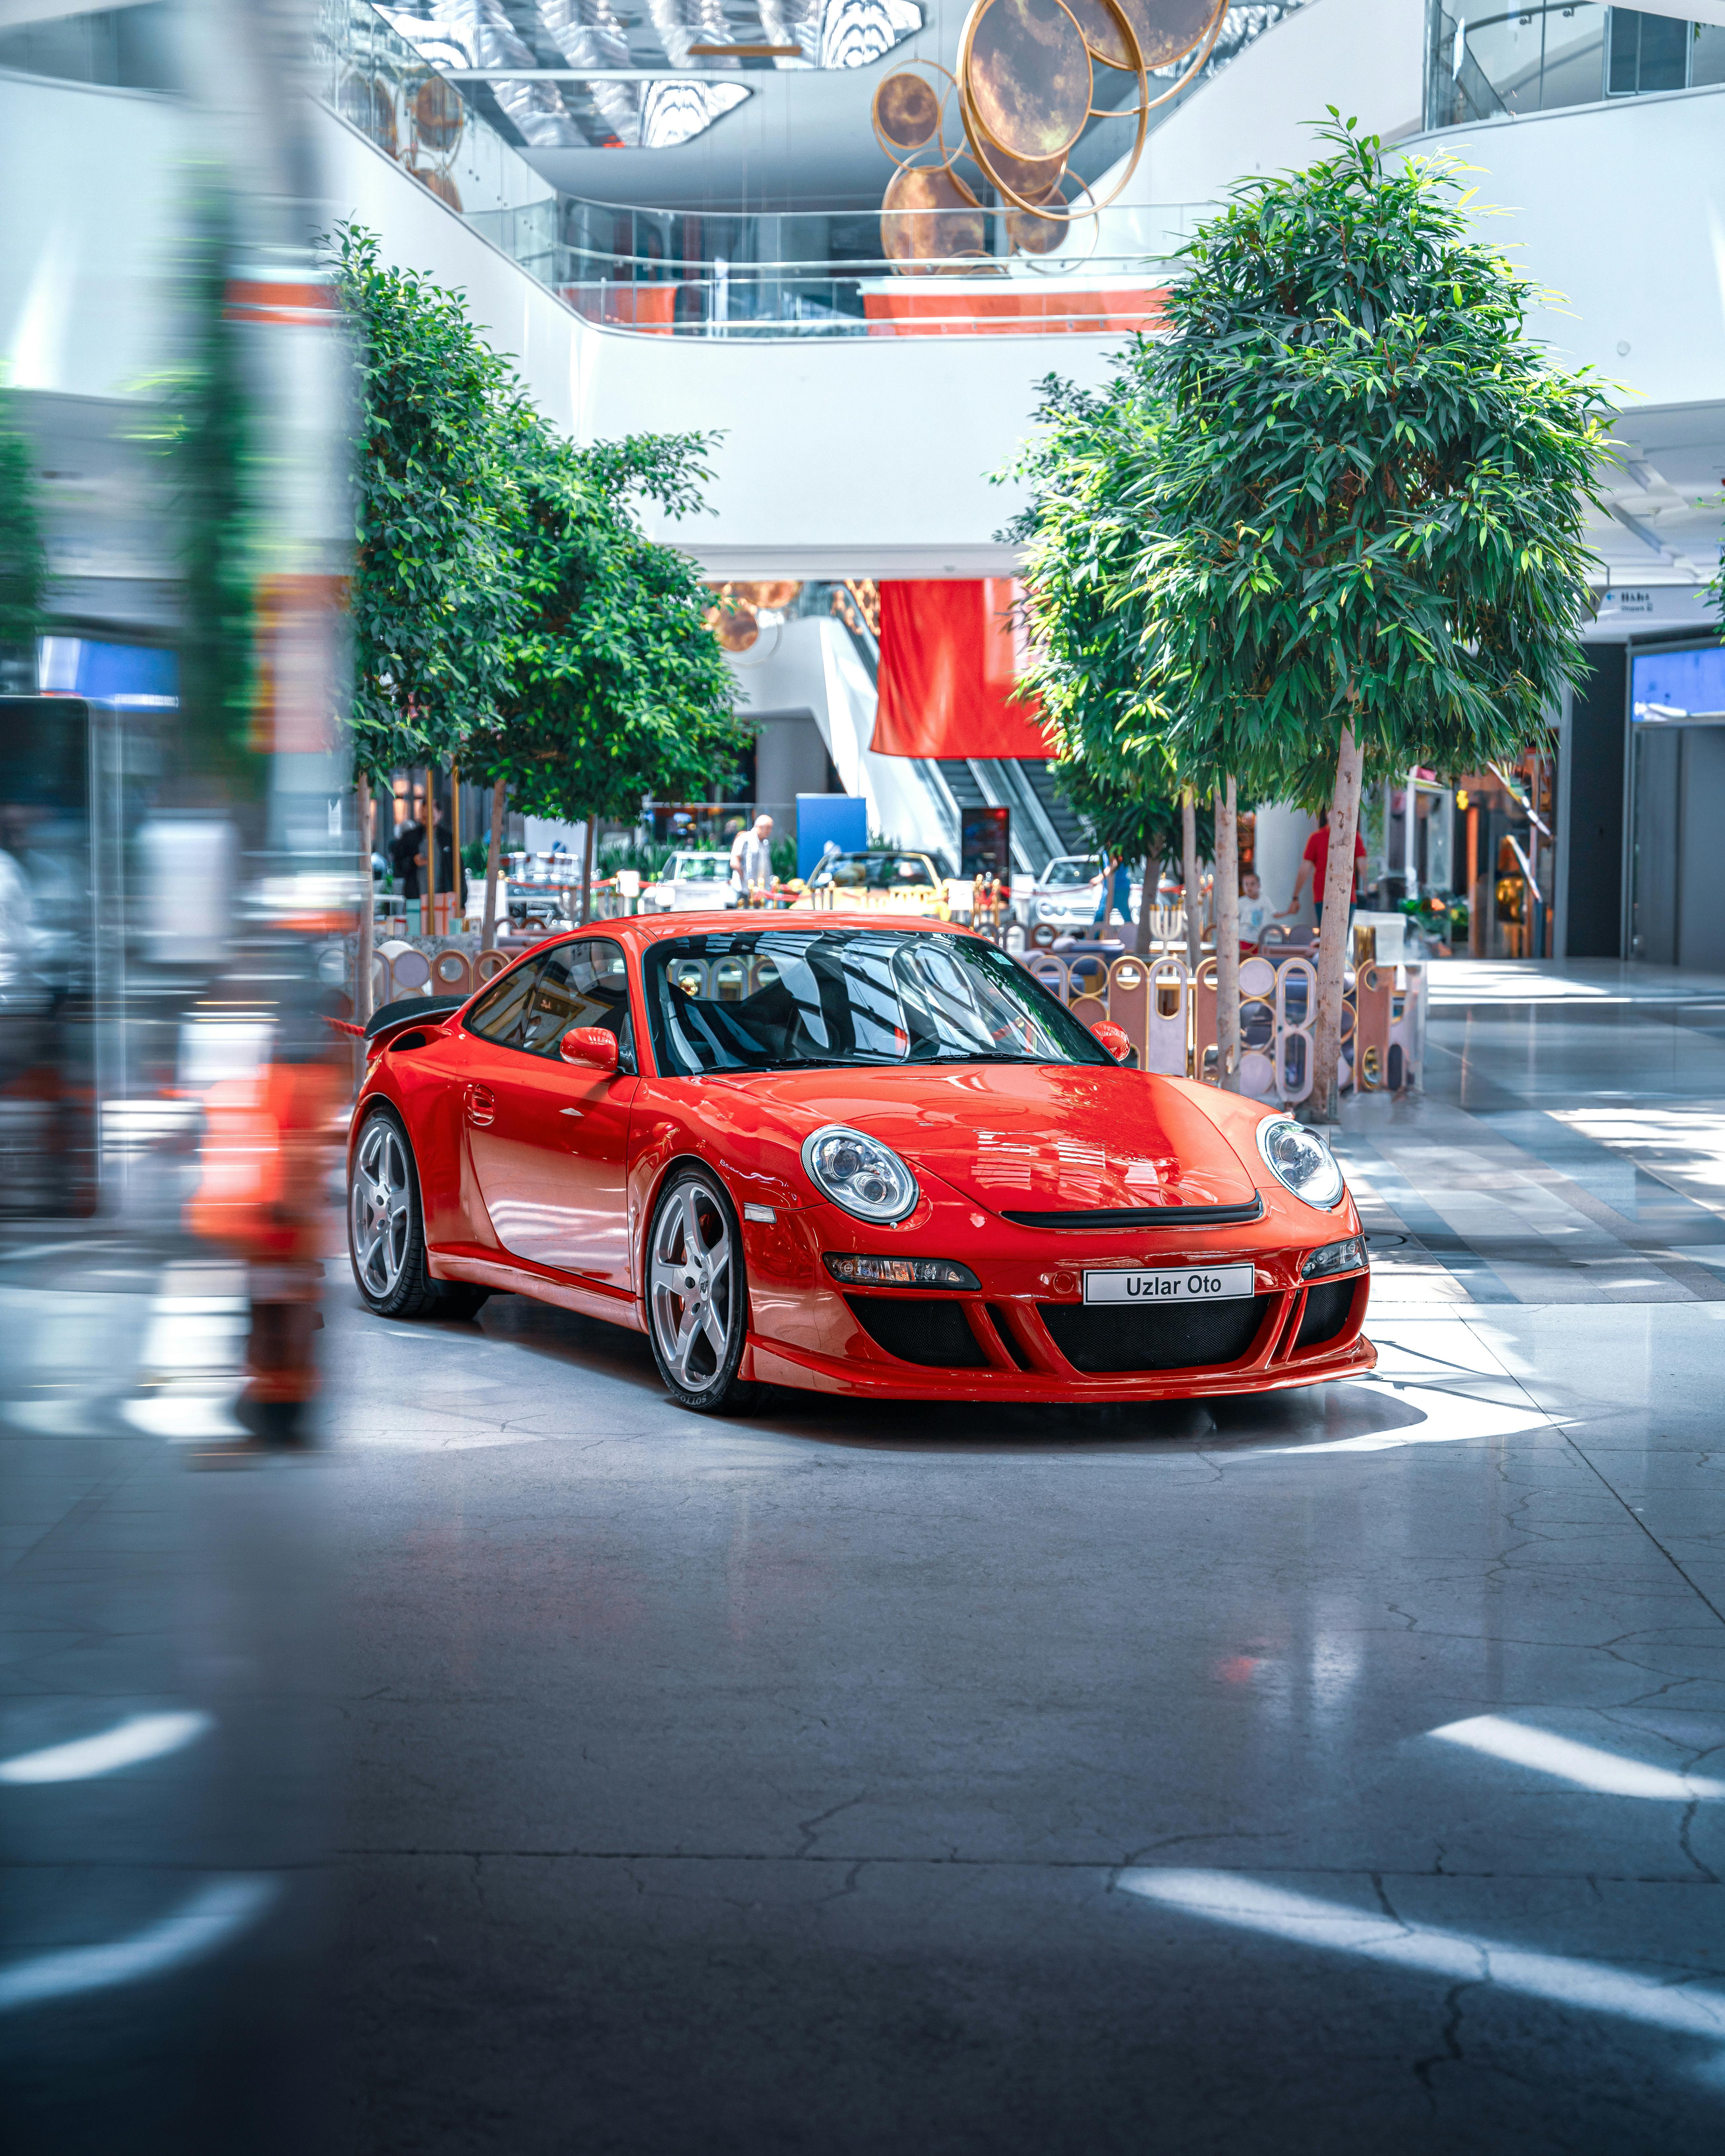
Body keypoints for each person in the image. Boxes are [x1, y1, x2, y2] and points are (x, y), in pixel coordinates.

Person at [1279, 819, 1366, 930]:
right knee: (1328, 935)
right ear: (1327, 813)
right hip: (1324, 896)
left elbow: (1363, 865)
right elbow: (1305, 869)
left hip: (1347, 896)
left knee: (1346, 936)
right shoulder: (1317, 837)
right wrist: (1295, 897)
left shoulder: (1353, 836)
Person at [731, 813, 775, 901]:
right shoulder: (744, 838)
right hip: (743, 890)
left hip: (760, 891)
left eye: (771, 828)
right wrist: (744, 878)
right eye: (768, 828)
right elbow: (734, 861)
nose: (769, 831)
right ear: (759, 826)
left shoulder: (765, 843)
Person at [1092, 850, 1133, 932]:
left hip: (1120, 889)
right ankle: (1092, 938)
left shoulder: (1118, 849)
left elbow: (1115, 864)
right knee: (1100, 915)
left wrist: (1100, 878)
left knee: (1125, 915)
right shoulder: (1105, 851)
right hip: (1108, 889)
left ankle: (1133, 936)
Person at [1238, 870, 1269, 955]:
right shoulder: (1240, 902)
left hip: (1259, 938)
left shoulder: (1265, 900)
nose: (1249, 887)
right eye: (1246, 884)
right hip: (1244, 938)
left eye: (1252, 884)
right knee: (1245, 960)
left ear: (1259, 885)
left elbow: (1274, 914)